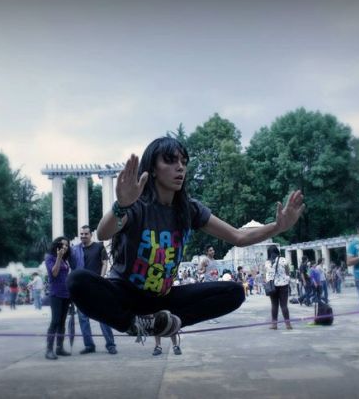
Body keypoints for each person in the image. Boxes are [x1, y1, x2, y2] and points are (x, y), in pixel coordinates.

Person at [66, 137, 304, 344]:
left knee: (234, 292)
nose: (180, 167)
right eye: (170, 161)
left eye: (183, 162)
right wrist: (121, 206)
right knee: (77, 281)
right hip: (126, 294)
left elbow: (238, 237)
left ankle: (167, 322)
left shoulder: (189, 209)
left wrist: (278, 227)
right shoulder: (137, 206)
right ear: (153, 169)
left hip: (164, 299)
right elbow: (103, 233)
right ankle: (133, 323)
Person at [70, 225, 118, 355]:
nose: (83, 236)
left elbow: (104, 263)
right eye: (81, 234)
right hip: (81, 288)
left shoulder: (99, 247)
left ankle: (110, 345)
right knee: (83, 318)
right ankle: (89, 345)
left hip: (96, 286)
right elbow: (73, 267)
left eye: (86, 234)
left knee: (103, 317)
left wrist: (101, 278)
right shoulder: (75, 250)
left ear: (91, 235)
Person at [45, 236, 72, 359]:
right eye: (62, 245)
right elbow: (54, 273)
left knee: (62, 322)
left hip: (66, 294)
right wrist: (59, 257)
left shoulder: (65, 260)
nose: (65, 247)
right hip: (56, 294)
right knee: (55, 321)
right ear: (57, 245)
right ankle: (49, 350)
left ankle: (59, 348)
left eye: (67, 245)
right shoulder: (50, 257)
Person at [265, 245, 293, 330]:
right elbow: (288, 272)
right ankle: (288, 324)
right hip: (283, 285)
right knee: (284, 305)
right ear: (277, 251)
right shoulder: (283, 260)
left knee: (274, 305)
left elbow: (267, 274)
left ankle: (274, 325)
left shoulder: (267, 262)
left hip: (272, 286)